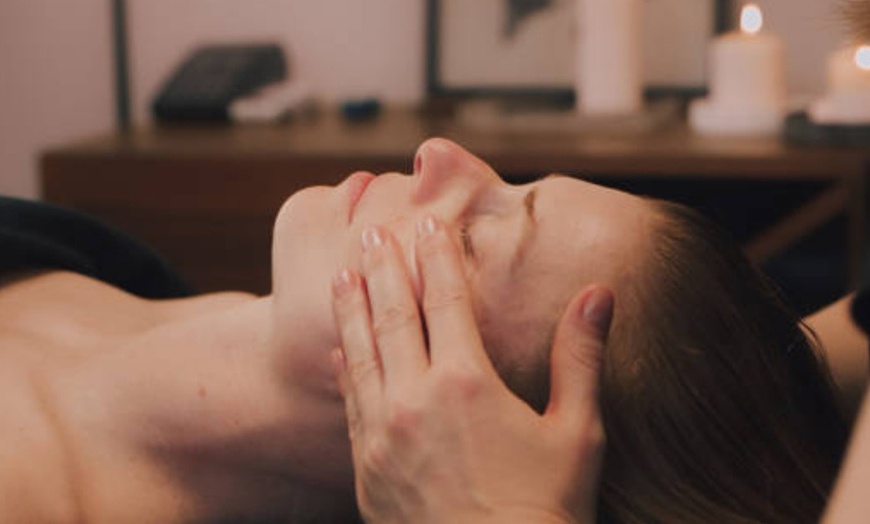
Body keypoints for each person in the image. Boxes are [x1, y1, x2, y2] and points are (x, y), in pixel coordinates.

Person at [0, 138, 850, 522]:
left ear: (467, 430)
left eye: (476, 240)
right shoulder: (109, 265)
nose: (441, 155)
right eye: (511, 182)